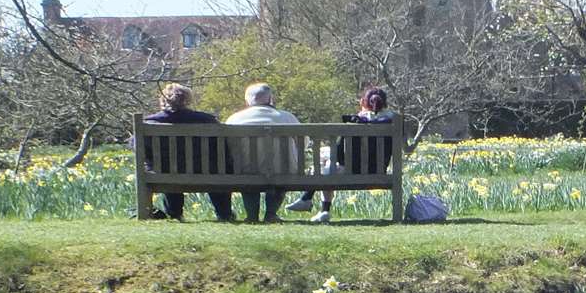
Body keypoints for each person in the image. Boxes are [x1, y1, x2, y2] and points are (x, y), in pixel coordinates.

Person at [287, 85, 398, 223]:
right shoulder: (394, 121)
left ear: (363, 102)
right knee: (329, 165)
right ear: (385, 103)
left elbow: (340, 155)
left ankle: (314, 203)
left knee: (328, 167)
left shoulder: (355, 122)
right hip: (379, 171)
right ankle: (315, 206)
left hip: (353, 171)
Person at [140, 83, 234, 221]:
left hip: (165, 174)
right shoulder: (207, 120)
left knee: (167, 167)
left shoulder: (149, 123)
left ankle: (175, 213)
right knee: (216, 167)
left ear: (163, 100)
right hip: (206, 171)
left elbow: (138, 149)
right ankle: (224, 214)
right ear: (187, 100)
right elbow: (223, 148)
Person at [225, 82, 302, 222]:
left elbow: (228, 147)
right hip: (283, 170)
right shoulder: (287, 118)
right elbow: (303, 143)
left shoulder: (234, 119)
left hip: (244, 171)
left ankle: (252, 215)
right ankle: (271, 214)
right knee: (283, 168)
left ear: (247, 100)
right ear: (270, 98)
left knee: (247, 172)